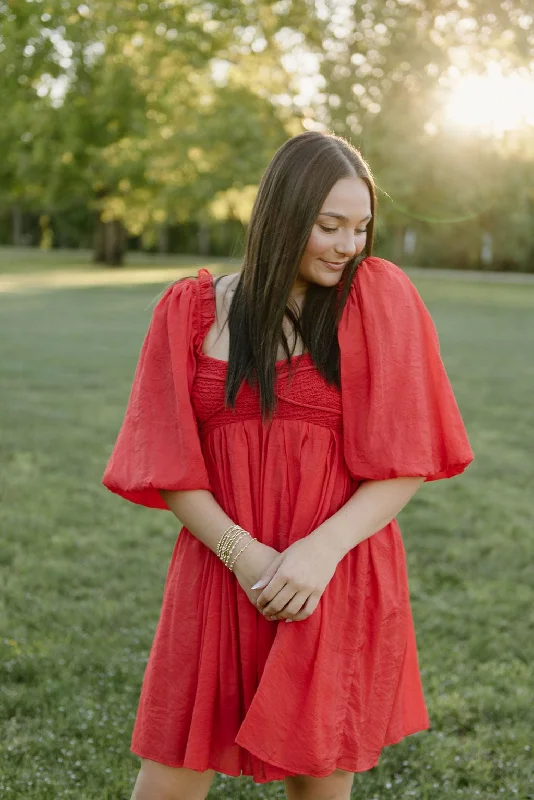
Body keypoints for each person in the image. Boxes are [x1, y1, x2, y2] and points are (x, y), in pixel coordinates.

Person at [102, 130, 474, 800]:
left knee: (319, 782)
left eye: (360, 228)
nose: (348, 246)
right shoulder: (189, 311)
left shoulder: (376, 300)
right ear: (280, 218)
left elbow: (405, 462)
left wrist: (317, 553)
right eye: (330, 226)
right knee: (167, 779)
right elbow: (169, 465)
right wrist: (245, 555)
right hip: (222, 570)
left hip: (332, 572)